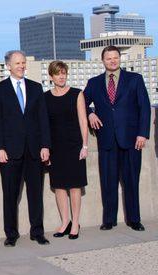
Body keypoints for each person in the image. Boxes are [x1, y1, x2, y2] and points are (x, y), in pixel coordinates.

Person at [84, 45, 151, 231]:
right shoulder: (94, 82)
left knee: (131, 180)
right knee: (108, 181)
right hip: (106, 140)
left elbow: (144, 107)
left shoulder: (135, 80)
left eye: (115, 57)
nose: (112, 61)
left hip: (131, 139)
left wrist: (142, 133)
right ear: (103, 61)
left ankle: (134, 219)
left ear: (120, 59)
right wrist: (90, 113)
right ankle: (109, 220)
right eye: (108, 58)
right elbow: (81, 101)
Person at [0, 50, 51, 246]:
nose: (21, 66)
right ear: (8, 65)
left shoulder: (35, 88)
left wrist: (45, 146)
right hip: (10, 152)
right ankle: (11, 234)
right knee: (10, 195)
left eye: (23, 62)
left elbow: (43, 120)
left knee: (35, 193)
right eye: (17, 63)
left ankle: (37, 232)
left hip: (34, 151)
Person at [44, 61, 89, 240]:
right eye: (58, 74)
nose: (61, 76)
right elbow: (44, 124)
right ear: (51, 77)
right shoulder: (45, 97)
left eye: (64, 73)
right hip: (55, 147)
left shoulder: (77, 94)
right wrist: (46, 147)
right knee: (59, 186)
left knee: (75, 186)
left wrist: (85, 146)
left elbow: (83, 121)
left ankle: (75, 223)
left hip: (74, 146)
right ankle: (65, 222)